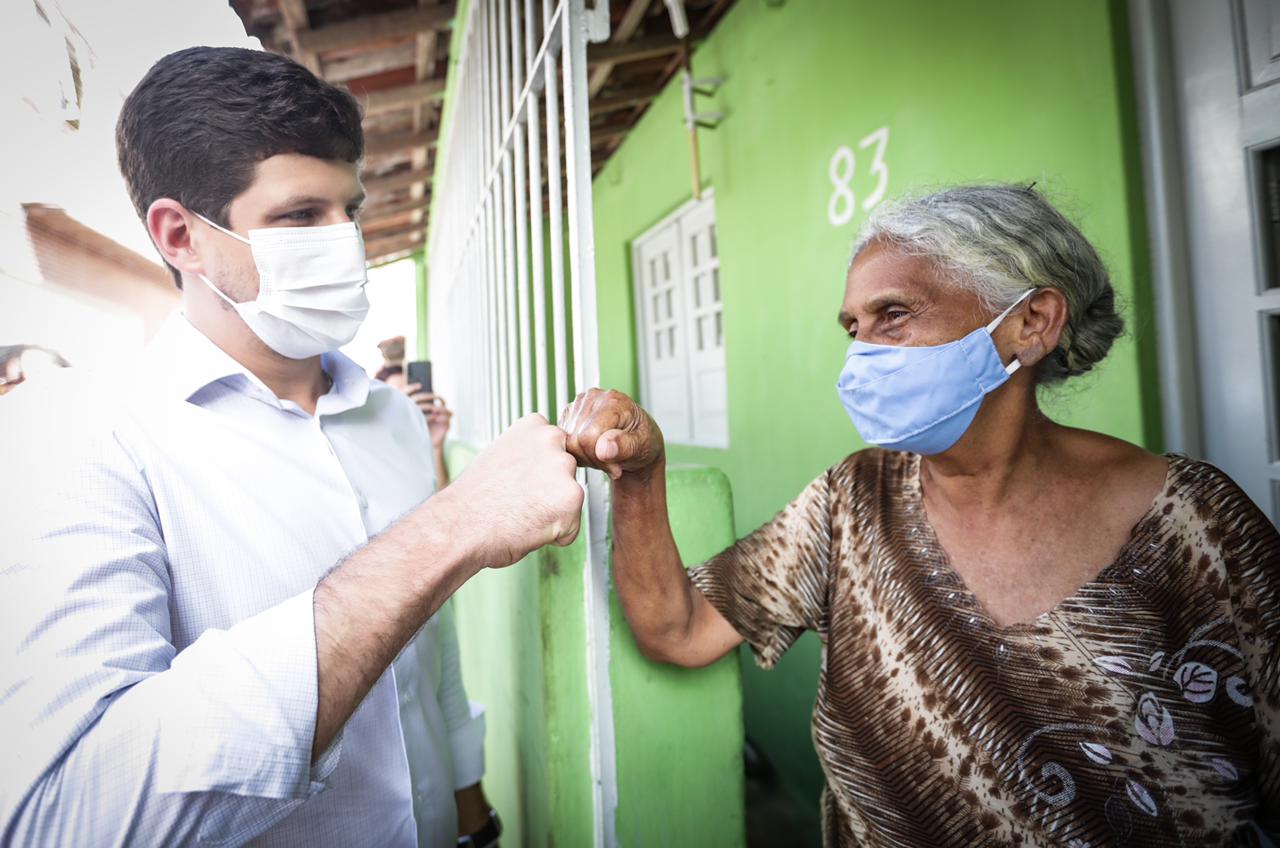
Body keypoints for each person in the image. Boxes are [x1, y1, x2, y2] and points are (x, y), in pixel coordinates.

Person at [561, 185, 1280, 846]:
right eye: (853, 327)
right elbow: (680, 628)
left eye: (894, 315)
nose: (860, 357)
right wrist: (641, 473)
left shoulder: (1195, 521)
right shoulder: (852, 502)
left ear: (1030, 323)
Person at [0, 46, 582, 847]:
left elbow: (429, 660)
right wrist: (449, 529)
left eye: (352, 209)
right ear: (181, 236)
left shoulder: (392, 419)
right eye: (301, 216)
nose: (349, 242)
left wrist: (471, 812)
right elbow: (67, 818)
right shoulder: (84, 441)